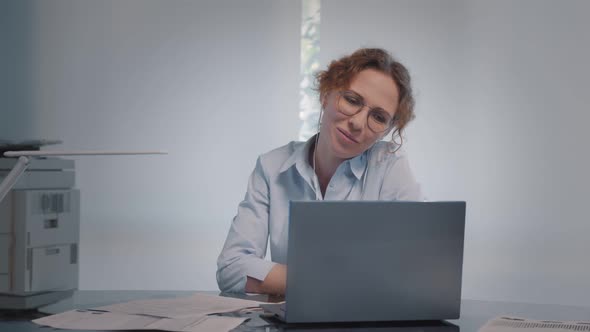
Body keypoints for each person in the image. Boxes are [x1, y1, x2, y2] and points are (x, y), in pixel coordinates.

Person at [216, 48, 423, 295]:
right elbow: (231, 270)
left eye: (378, 117)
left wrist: (296, 279)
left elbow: (415, 269)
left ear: (386, 130)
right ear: (326, 94)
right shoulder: (271, 167)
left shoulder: (389, 165)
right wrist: (342, 279)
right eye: (352, 100)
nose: (357, 123)